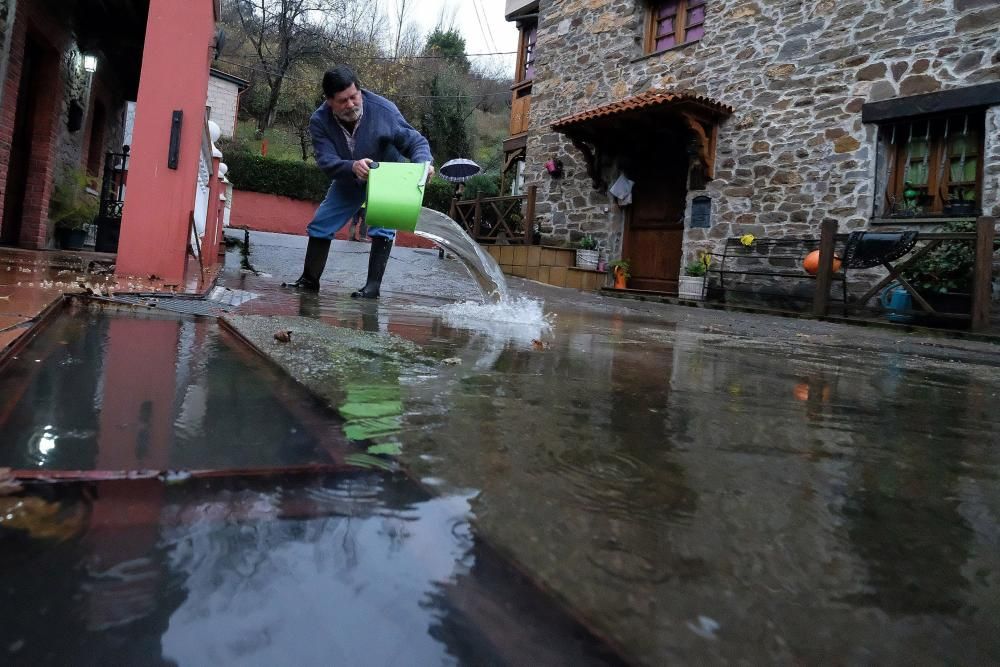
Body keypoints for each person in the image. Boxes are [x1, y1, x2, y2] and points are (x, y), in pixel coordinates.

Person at [289, 65, 434, 296]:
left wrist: (423, 165)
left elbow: (416, 143)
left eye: (353, 97)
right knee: (321, 223)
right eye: (342, 101)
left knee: (383, 229)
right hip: (349, 176)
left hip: (388, 175)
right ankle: (309, 280)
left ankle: (372, 288)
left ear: (360, 90)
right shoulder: (319, 121)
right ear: (329, 101)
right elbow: (326, 160)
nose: (350, 104)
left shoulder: (384, 110)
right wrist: (351, 167)